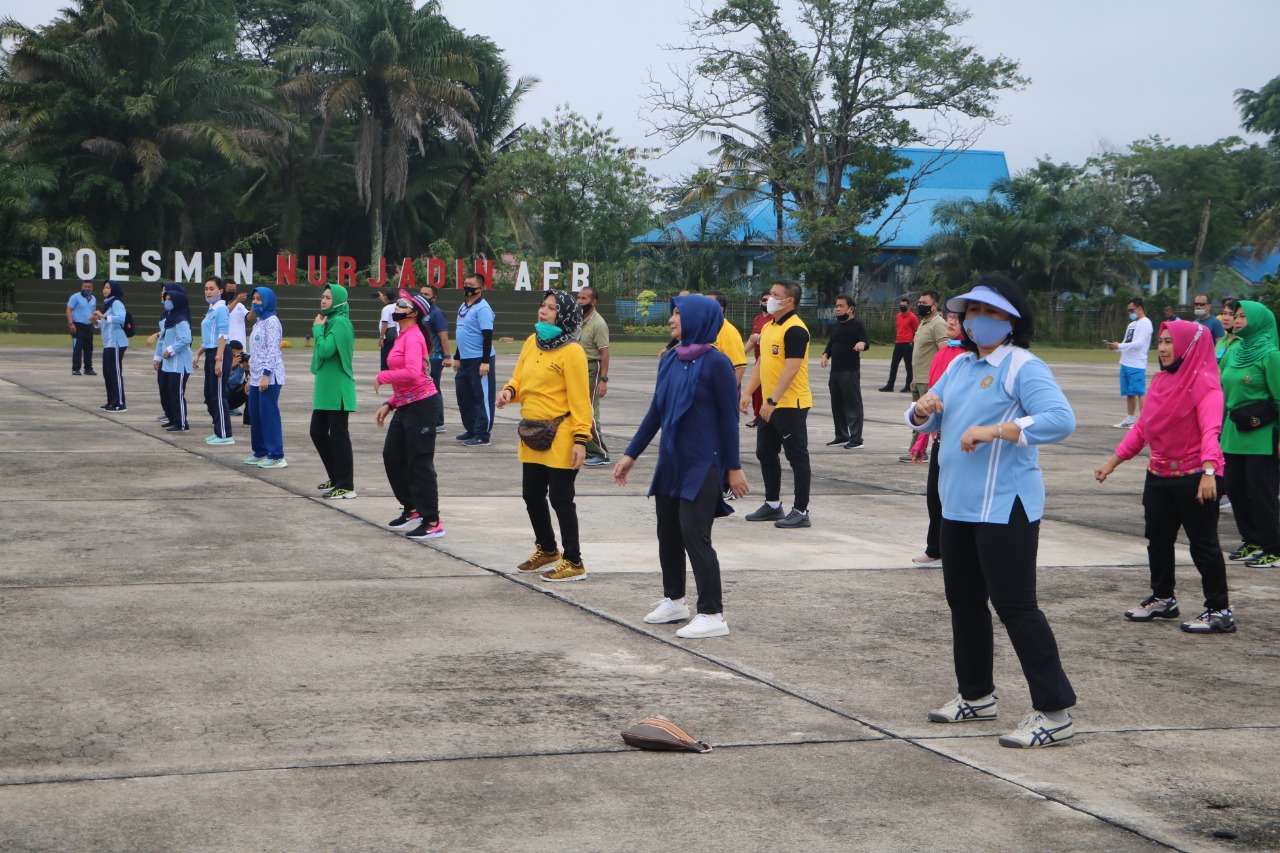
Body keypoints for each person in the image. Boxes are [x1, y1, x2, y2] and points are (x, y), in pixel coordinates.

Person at [908, 274, 1078, 749]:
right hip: (958, 505)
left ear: (1013, 320)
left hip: (1006, 506)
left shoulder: (1023, 366)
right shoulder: (961, 364)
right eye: (973, 311)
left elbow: (1061, 420)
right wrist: (921, 410)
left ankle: (1055, 712)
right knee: (963, 603)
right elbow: (930, 416)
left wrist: (998, 429)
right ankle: (976, 695)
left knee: (1016, 607)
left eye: (991, 312)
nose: (979, 320)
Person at [614, 294, 750, 638]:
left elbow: (729, 420)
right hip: (671, 461)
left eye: (677, 314)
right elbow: (656, 411)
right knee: (668, 533)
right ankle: (674, 600)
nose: (671, 319)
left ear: (697, 319)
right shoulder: (671, 359)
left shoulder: (717, 363)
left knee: (694, 535)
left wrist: (733, 467)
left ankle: (713, 614)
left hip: (703, 463)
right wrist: (631, 454)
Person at [1094, 320, 1234, 634]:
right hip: (1159, 474)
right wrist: (1112, 463)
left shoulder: (1207, 386)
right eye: (1161, 341)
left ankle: (1219, 610)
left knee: (1203, 545)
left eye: (1170, 341)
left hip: (1196, 476)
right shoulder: (1160, 381)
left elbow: (1211, 432)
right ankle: (1163, 598)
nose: (1164, 348)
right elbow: (1143, 428)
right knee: (1157, 540)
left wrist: (1209, 472)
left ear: (1189, 346)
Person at [497, 290, 593, 582]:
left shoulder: (572, 351)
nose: (543, 311)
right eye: (543, 306)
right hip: (532, 431)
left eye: (551, 308)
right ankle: (548, 549)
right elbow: (519, 378)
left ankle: (573, 561)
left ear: (564, 315)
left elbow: (580, 400)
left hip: (561, 432)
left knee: (561, 498)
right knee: (531, 494)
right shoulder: (532, 342)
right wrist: (509, 391)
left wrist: (581, 440)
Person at [739, 279, 813, 529]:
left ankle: (801, 510)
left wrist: (772, 400)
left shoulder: (796, 329)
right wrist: (748, 392)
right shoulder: (769, 326)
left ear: (789, 301)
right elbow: (762, 363)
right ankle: (772, 505)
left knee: (797, 457)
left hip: (791, 403)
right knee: (765, 452)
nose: (769, 298)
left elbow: (791, 369)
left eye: (775, 294)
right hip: (770, 404)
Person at [376, 293, 445, 541]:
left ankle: (432, 521)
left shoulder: (414, 336)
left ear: (414, 313)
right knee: (392, 456)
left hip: (422, 405)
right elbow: (410, 378)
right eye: (397, 303)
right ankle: (412, 507)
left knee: (420, 462)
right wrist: (391, 403)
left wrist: (383, 376)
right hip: (405, 403)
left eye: (402, 305)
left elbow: (414, 374)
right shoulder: (403, 335)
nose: (397, 306)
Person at [1218, 300, 1280, 569]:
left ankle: (1274, 548)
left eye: (1243, 316)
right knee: (1235, 488)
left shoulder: (1271, 355)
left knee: (1261, 492)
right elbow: (1221, 391)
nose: (1237, 320)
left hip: (1262, 434)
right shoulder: (1234, 351)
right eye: (1236, 315)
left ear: (1258, 321)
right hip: (1233, 431)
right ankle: (1252, 540)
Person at [907, 309, 965, 568]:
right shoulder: (945, 355)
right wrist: (922, 441)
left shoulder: (968, 358)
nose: (951, 321)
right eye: (950, 317)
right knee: (934, 496)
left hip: (964, 439)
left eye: (957, 318)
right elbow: (931, 400)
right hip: (941, 436)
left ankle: (952, 551)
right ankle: (935, 549)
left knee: (955, 499)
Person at [311, 284, 357, 499]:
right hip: (325, 389)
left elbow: (326, 350)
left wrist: (317, 329)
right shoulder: (329, 321)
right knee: (317, 432)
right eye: (323, 297)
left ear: (338, 301)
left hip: (337, 389)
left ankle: (346, 485)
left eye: (328, 298)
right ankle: (336, 477)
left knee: (339, 437)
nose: (323, 301)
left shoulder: (340, 323)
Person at [902, 290, 949, 461]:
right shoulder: (923, 323)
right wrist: (914, 378)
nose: (920, 305)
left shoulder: (938, 324)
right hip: (919, 378)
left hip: (929, 381)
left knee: (926, 416)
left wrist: (937, 379)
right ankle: (915, 449)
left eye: (924, 303)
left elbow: (944, 352)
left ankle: (918, 450)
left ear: (934, 305)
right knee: (917, 416)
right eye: (919, 303)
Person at [245, 287, 287, 469]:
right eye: (253, 299)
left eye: (259, 299)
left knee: (269, 416)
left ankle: (277, 455)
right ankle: (260, 451)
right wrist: (251, 377)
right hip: (256, 376)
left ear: (268, 301)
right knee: (255, 414)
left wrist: (266, 376)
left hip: (269, 376)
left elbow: (273, 351)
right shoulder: (259, 322)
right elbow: (255, 353)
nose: (255, 302)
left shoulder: (272, 322)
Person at [821, 293, 870, 449]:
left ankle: (856, 439)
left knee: (852, 404)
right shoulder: (836, 326)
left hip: (849, 371)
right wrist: (825, 355)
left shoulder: (856, 325)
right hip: (835, 371)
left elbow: (865, 341)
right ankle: (841, 435)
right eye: (836, 306)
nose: (838, 309)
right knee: (837, 405)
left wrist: (862, 344)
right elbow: (831, 343)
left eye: (841, 306)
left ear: (851, 309)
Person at [454, 271, 497, 446]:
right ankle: (471, 428)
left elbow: (487, 336)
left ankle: (482, 433)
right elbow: (462, 332)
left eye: (471, 285)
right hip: (465, 360)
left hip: (479, 359)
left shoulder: (483, 309)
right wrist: (457, 357)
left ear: (481, 288)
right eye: (466, 284)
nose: (467, 287)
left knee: (482, 397)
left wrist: (485, 362)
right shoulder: (464, 306)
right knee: (463, 395)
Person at [193, 276, 234, 446]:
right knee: (209, 395)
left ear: (220, 291)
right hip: (211, 352)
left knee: (218, 394)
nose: (208, 292)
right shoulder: (212, 309)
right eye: (206, 289)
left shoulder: (221, 309)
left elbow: (223, 335)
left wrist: (218, 359)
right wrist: (198, 353)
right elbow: (210, 338)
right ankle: (218, 430)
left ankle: (225, 434)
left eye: (212, 289)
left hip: (220, 353)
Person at [576, 285, 612, 466]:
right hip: (579, 367)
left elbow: (604, 354)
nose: (580, 301)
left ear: (594, 301)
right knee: (582, 409)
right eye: (578, 297)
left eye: (584, 299)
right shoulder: (578, 319)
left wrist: (603, 380)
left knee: (587, 410)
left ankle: (599, 453)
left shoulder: (598, 324)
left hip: (592, 367)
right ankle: (589, 449)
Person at [1104, 297, 1152, 429]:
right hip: (1125, 362)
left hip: (1137, 364)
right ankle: (1130, 419)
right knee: (1129, 393)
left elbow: (1139, 344)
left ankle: (1143, 422)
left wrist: (1119, 346)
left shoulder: (1145, 323)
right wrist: (1115, 347)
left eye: (1132, 310)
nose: (1130, 313)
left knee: (1139, 392)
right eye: (1128, 311)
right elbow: (1127, 343)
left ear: (1139, 308)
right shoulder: (1131, 325)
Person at [156, 284, 193, 432]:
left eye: (170, 299)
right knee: (168, 391)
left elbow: (186, 339)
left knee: (177, 393)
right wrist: (158, 357)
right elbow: (162, 338)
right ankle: (172, 418)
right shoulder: (169, 319)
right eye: (166, 299)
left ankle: (181, 422)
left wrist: (170, 350)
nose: (167, 301)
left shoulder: (181, 320)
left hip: (180, 363)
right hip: (169, 364)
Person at [419, 284, 452, 434]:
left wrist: (447, 356)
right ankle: (427, 420)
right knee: (423, 389)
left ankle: (439, 423)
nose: (423, 296)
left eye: (426, 294)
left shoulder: (436, 313)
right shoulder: (420, 312)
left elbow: (443, 336)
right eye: (421, 293)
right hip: (424, 357)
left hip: (435, 357)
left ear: (434, 298)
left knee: (433, 389)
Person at [91, 281, 128, 412]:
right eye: (104, 287)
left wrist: (103, 316)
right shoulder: (108, 303)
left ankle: (120, 403)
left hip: (117, 343)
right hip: (108, 344)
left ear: (114, 289)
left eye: (108, 287)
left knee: (115, 373)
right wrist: (96, 321)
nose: (105, 290)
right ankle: (111, 401)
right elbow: (107, 323)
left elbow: (121, 318)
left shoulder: (116, 302)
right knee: (108, 373)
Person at [879, 297, 917, 392]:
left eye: (904, 305)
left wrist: (913, 342)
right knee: (894, 364)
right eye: (901, 305)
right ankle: (890, 385)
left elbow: (916, 330)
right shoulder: (898, 316)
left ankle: (908, 386)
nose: (902, 307)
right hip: (898, 342)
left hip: (908, 343)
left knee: (908, 365)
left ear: (908, 305)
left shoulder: (912, 317)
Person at [746, 292, 772, 426]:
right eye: (764, 300)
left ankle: (767, 417)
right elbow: (752, 339)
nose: (766, 302)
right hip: (758, 359)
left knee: (767, 390)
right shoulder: (757, 319)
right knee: (756, 390)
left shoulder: (774, 319)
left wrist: (760, 338)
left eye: (769, 300)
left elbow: (772, 338)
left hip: (769, 359)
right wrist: (741, 354)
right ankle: (757, 417)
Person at [66, 280, 97, 375]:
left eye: (89, 287)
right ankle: (76, 368)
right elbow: (69, 310)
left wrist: (94, 318)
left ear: (92, 288)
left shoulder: (93, 298)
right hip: (77, 325)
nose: (87, 288)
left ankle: (88, 368)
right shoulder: (75, 297)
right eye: (85, 286)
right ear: (82, 287)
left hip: (88, 326)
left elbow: (93, 311)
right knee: (77, 348)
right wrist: (71, 323)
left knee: (89, 348)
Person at [376, 289, 398, 372]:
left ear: (386, 297)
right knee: (393, 354)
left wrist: (382, 337)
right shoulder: (396, 306)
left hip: (389, 333)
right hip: (396, 332)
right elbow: (389, 306)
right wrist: (383, 299)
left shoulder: (386, 309)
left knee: (385, 354)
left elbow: (385, 323)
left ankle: (385, 373)